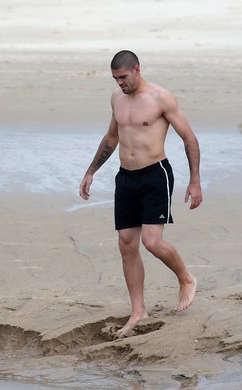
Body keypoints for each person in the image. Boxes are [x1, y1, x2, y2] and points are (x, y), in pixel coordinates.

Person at [79, 50, 202, 338]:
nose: (120, 83)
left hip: (154, 175)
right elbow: (112, 136)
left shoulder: (161, 98)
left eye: (123, 77)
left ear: (136, 69)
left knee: (151, 242)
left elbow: (189, 138)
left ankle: (185, 278)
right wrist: (91, 171)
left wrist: (195, 180)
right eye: (115, 79)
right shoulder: (116, 98)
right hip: (126, 178)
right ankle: (138, 311)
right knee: (126, 243)